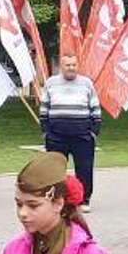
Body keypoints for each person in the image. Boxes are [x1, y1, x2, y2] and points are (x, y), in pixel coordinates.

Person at [40, 53, 101, 202]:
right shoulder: (51, 83)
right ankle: (57, 198)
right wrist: (46, 132)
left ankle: (84, 199)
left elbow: (96, 110)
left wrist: (94, 132)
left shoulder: (86, 83)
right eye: (68, 65)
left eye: (74, 65)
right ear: (62, 66)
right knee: (55, 170)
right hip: (56, 136)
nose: (71, 68)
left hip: (82, 136)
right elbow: (43, 110)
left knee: (85, 170)